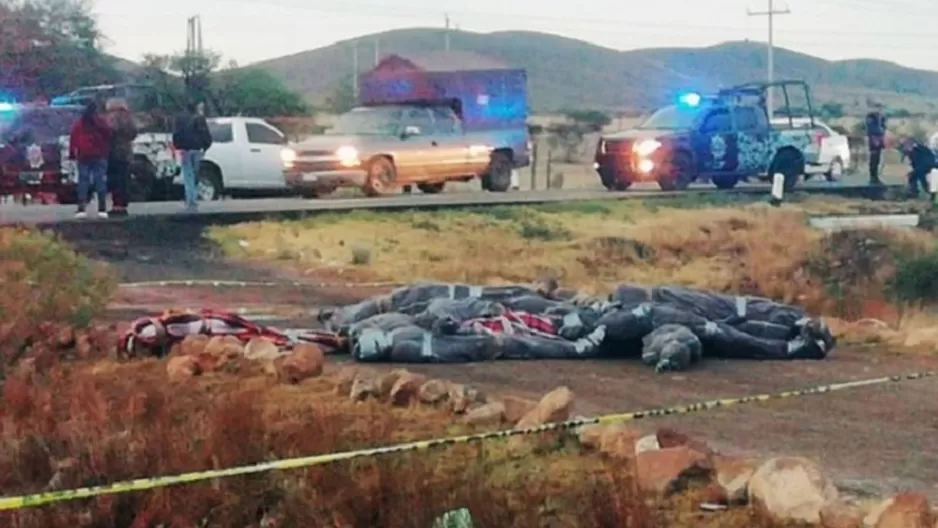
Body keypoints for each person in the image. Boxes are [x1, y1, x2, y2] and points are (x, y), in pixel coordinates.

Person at [68, 100, 112, 218]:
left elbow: (73, 138)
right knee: (100, 181)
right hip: (100, 155)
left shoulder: (80, 123)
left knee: (83, 181)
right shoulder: (101, 122)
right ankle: (102, 208)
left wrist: (72, 154)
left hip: (83, 155)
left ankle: (81, 208)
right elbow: (109, 134)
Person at [172, 101, 213, 211]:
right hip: (197, 149)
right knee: (195, 174)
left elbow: (176, 134)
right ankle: (192, 199)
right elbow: (206, 134)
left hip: (185, 150)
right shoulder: (200, 118)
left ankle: (191, 200)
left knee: (188, 175)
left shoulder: (179, 119)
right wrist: (206, 146)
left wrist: (177, 146)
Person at [105, 98, 138, 217]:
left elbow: (109, 132)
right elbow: (134, 133)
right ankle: (122, 204)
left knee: (115, 179)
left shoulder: (112, 117)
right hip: (126, 152)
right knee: (124, 179)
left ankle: (117, 205)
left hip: (114, 152)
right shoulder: (129, 118)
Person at [865, 105, 887, 185]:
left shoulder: (882, 117)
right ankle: (873, 176)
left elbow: (884, 127)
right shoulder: (871, 117)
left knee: (878, 159)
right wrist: (875, 137)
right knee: (873, 158)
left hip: (880, 137)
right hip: (874, 138)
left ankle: (876, 176)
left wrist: (882, 135)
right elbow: (870, 128)